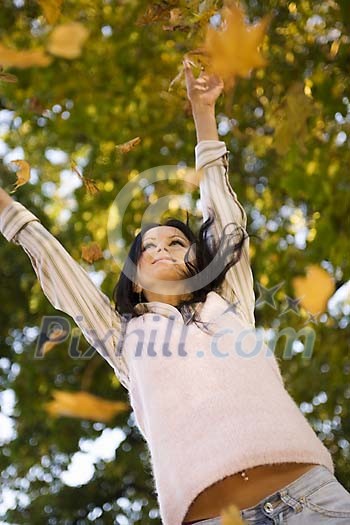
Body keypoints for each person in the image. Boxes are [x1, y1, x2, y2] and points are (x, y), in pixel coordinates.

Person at [1, 59, 350, 525]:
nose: (162, 249)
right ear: (133, 275)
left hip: (314, 502)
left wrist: (203, 113)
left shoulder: (230, 304)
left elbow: (226, 219)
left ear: (197, 261)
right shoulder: (124, 339)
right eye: (148, 247)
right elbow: (62, 274)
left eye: (177, 242)